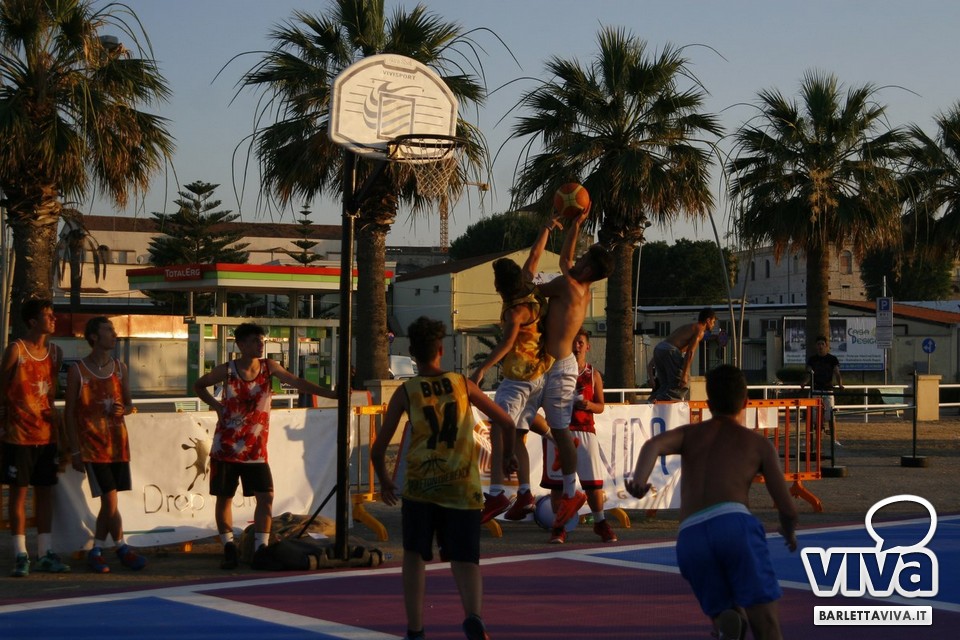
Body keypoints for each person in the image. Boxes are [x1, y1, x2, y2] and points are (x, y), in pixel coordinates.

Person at [371, 316, 518, 640]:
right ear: (440, 349)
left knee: (414, 556)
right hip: (461, 487)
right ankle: (474, 615)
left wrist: (384, 480)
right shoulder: (462, 384)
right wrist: (508, 456)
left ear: (413, 353)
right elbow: (506, 422)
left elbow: (378, 449)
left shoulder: (407, 391)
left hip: (420, 487)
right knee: (466, 559)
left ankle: (415, 629)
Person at [626, 364, 798, 640]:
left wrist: (639, 481)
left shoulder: (690, 434)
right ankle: (734, 622)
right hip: (733, 525)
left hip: (691, 536)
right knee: (766, 624)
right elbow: (787, 508)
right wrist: (788, 532)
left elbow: (653, 445)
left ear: (708, 403)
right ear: (746, 402)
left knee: (724, 613)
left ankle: (727, 620)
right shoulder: (758, 444)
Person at [193, 322, 336, 570]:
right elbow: (199, 384)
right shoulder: (227, 370)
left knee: (266, 497)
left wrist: (331, 394)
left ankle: (261, 548)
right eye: (254, 341)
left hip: (255, 450)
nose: (260, 345)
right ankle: (228, 546)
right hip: (226, 447)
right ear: (240, 345)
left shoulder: (269, 367)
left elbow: (297, 382)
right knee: (225, 498)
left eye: (261, 340)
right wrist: (216, 406)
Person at [529, 209, 613, 534]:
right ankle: (567, 492)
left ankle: (569, 495)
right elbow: (566, 260)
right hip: (552, 363)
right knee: (531, 420)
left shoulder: (567, 286)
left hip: (558, 366)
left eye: (583, 259)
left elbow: (532, 288)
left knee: (548, 426)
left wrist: (545, 232)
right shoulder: (579, 285)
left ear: (588, 268)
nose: (576, 259)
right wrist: (576, 225)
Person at [470, 257, 553, 523]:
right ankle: (526, 494)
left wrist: (481, 369)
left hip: (518, 377)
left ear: (502, 285)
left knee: (497, 428)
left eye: (496, 281)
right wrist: (546, 234)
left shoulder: (515, 312)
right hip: (539, 375)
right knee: (517, 435)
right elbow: (534, 257)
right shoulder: (532, 292)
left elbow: (507, 343)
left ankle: (496, 494)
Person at [64, 317, 146, 573]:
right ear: (93, 337)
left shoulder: (120, 368)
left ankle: (102, 549)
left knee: (110, 502)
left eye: (113, 329)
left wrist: (125, 409)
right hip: (93, 446)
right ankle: (117, 548)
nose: (114, 334)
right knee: (110, 500)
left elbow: (130, 404)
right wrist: (75, 450)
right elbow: (69, 412)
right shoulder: (78, 371)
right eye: (108, 330)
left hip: (118, 445)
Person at [0, 299, 69, 577]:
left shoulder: (55, 353)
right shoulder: (16, 350)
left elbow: (51, 393)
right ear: (32, 321)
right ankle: (20, 553)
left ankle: (45, 552)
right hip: (18, 436)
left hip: (46, 435)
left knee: (45, 493)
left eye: (53, 314)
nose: (53, 319)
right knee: (19, 493)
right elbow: (2, 388)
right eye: (47, 315)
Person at [541, 328, 615, 543]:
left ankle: (600, 522)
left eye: (580, 342)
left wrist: (588, 405)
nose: (576, 346)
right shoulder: (554, 370)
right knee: (558, 486)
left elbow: (601, 406)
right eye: (573, 342)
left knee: (593, 485)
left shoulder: (593, 374)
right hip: (558, 431)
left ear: (588, 346)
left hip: (584, 431)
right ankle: (559, 527)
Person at [649, 308, 717, 401]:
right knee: (681, 383)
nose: (714, 325)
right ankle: (666, 403)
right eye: (713, 322)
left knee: (665, 385)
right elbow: (690, 352)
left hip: (659, 349)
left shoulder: (689, 327)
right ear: (708, 320)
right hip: (669, 350)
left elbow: (672, 347)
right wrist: (684, 374)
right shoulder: (700, 330)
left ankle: (652, 401)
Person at [801, 335, 844, 428]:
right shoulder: (812, 359)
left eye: (822, 344)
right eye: (818, 344)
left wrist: (840, 384)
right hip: (815, 389)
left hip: (828, 389)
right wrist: (805, 382)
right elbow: (809, 373)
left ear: (826, 345)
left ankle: (833, 434)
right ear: (816, 346)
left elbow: (837, 373)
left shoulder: (832, 359)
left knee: (830, 414)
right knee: (813, 415)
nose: (820, 346)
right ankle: (813, 434)